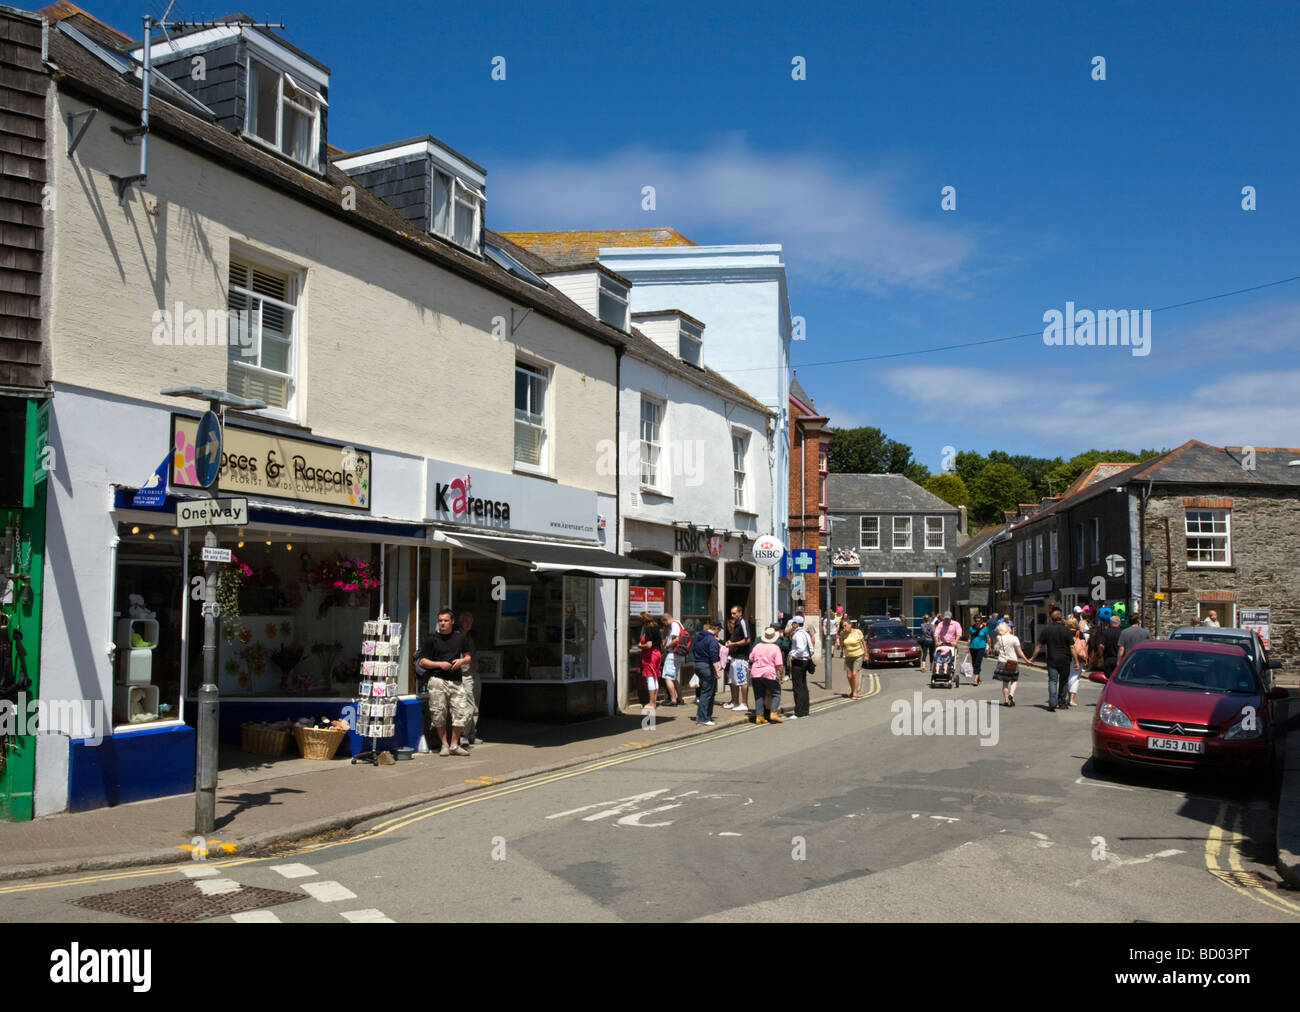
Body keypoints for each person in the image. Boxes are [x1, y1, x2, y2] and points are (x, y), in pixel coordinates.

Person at [417, 608, 474, 756]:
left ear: (452, 622)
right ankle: (444, 745)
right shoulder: (432, 639)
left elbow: (468, 657)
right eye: (440, 620)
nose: (442, 623)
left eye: (445, 621)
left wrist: (461, 661)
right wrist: (439, 664)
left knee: (460, 712)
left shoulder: (460, 638)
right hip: (437, 680)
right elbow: (422, 661)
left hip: (456, 680)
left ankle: (454, 744)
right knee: (438, 713)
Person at [1027, 606, 1074, 711]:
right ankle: (1062, 703)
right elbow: (1072, 647)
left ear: (1051, 619)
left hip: (1052, 659)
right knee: (1064, 681)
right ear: (1060, 618)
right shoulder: (1067, 630)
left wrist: (1033, 658)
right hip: (1065, 659)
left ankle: (1052, 702)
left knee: (1053, 681)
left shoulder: (1047, 630)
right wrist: (1077, 661)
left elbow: (1039, 646)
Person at [748, 626, 785, 724]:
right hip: (769, 672)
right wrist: (781, 676)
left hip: (755, 672)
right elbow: (779, 665)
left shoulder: (757, 646)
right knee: (776, 693)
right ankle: (773, 713)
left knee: (759, 695)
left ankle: (759, 716)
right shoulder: (775, 648)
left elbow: (751, 658)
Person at [457, 610, 483, 745]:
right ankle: (463, 734)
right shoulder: (457, 637)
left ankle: (472, 733)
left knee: (475, 705)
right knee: (468, 705)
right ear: (460, 621)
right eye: (466, 621)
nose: (468, 624)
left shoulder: (469, 638)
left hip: (474, 673)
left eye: (470, 622)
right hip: (464, 674)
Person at [691, 618, 722, 725]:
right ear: (717, 628)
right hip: (707, 666)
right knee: (707, 693)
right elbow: (714, 657)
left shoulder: (698, 637)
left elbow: (693, 649)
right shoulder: (711, 640)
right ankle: (703, 718)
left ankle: (704, 716)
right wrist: (717, 671)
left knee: (704, 692)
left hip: (697, 664)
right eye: (719, 630)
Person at [992, 621, 1030, 706]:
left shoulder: (999, 638)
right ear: (1006, 629)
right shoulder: (1014, 638)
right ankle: (1011, 695)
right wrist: (1026, 660)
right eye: (1008, 626)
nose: (1010, 628)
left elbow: (995, 648)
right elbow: (1019, 652)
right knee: (1014, 680)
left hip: (1002, 662)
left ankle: (1006, 701)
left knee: (1005, 683)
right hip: (1012, 662)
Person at [723, 606, 753, 712]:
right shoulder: (736, 623)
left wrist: (733, 644)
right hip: (735, 657)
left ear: (740, 613)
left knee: (742, 681)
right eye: (731, 613)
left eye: (734, 613)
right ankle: (735, 701)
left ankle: (744, 703)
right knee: (733, 681)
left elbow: (747, 639)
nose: (732, 615)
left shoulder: (743, 622)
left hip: (741, 657)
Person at [637, 611, 664, 717]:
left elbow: (648, 645)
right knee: (655, 677)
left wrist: (640, 645)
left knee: (649, 678)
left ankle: (651, 703)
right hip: (657, 653)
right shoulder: (656, 627)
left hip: (650, 655)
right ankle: (654, 702)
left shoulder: (648, 629)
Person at [788, 614, 814, 718]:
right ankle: (805, 711)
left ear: (797, 624)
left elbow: (800, 649)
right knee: (803, 687)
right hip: (805, 661)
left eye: (793, 623)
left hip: (798, 662)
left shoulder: (797, 634)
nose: (792, 624)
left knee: (797, 688)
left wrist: (791, 654)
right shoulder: (805, 633)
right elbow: (811, 649)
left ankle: (798, 712)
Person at [658, 612, 684, 706]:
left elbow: (676, 640)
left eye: (664, 623)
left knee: (667, 677)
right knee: (673, 678)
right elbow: (670, 638)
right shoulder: (678, 623)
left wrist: (666, 647)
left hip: (673, 655)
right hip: (678, 655)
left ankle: (673, 700)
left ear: (666, 620)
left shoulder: (674, 624)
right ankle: (680, 699)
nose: (664, 625)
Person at [1066, 615, 1087, 708]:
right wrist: (1086, 658)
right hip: (1077, 658)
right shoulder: (1079, 633)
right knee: (1075, 678)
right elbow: (1083, 646)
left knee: (1067, 677)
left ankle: (1066, 698)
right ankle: (1071, 699)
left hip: (1066, 658)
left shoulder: (1065, 632)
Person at [841, 618, 866, 699]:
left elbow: (863, 643)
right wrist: (841, 637)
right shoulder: (843, 634)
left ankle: (855, 693)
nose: (844, 627)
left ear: (850, 625)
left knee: (854, 674)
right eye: (843, 626)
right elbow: (842, 645)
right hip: (848, 656)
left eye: (845, 625)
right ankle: (852, 690)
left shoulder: (858, 632)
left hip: (858, 655)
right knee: (849, 676)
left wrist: (866, 654)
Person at [967, 614, 989, 687]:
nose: (977, 622)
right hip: (973, 647)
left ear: (981, 621)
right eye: (976, 621)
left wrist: (989, 647)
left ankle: (975, 679)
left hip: (981, 647)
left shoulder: (985, 628)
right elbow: (969, 638)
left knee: (978, 662)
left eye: (979, 621)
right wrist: (968, 647)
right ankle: (978, 678)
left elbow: (988, 638)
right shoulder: (971, 628)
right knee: (974, 663)